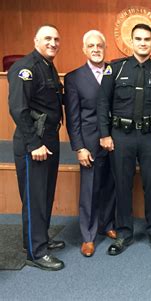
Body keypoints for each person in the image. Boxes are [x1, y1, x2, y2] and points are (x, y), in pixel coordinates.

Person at [97, 23, 151, 255]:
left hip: (150, 136)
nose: (143, 43)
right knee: (123, 184)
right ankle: (124, 232)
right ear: (131, 41)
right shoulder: (115, 69)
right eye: (138, 39)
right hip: (121, 136)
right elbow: (102, 103)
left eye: (147, 39)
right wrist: (105, 134)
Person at [8, 24, 65, 271]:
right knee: (34, 198)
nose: (53, 43)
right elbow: (18, 109)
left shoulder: (47, 66)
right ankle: (35, 252)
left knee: (45, 194)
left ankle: (36, 239)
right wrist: (34, 144)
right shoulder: (25, 68)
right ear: (36, 40)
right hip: (34, 142)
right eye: (47, 38)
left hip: (48, 139)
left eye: (56, 39)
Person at [64, 30, 116, 257]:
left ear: (105, 48)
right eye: (91, 46)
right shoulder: (74, 77)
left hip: (114, 139)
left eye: (100, 46)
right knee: (89, 189)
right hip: (89, 142)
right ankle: (88, 235)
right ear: (84, 49)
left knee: (110, 184)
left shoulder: (114, 72)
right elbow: (72, 116)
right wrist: (79, 147)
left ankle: (107, 224)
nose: (96, 49)